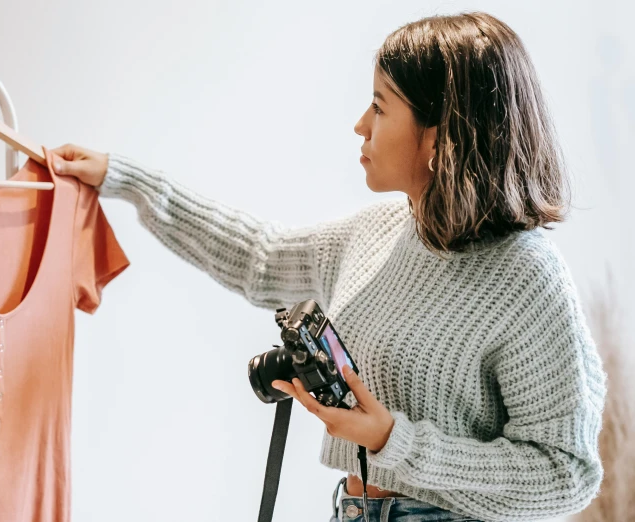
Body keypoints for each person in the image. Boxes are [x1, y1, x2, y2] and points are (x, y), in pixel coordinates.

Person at [51, 11, 606, 522]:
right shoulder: (377, 233)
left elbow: (567, 474)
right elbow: (257, 257)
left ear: (439, 136)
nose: (360, 125)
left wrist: (396, 441)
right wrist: (127, 181)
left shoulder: (527, 275)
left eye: (381, 106)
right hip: (351, 509)